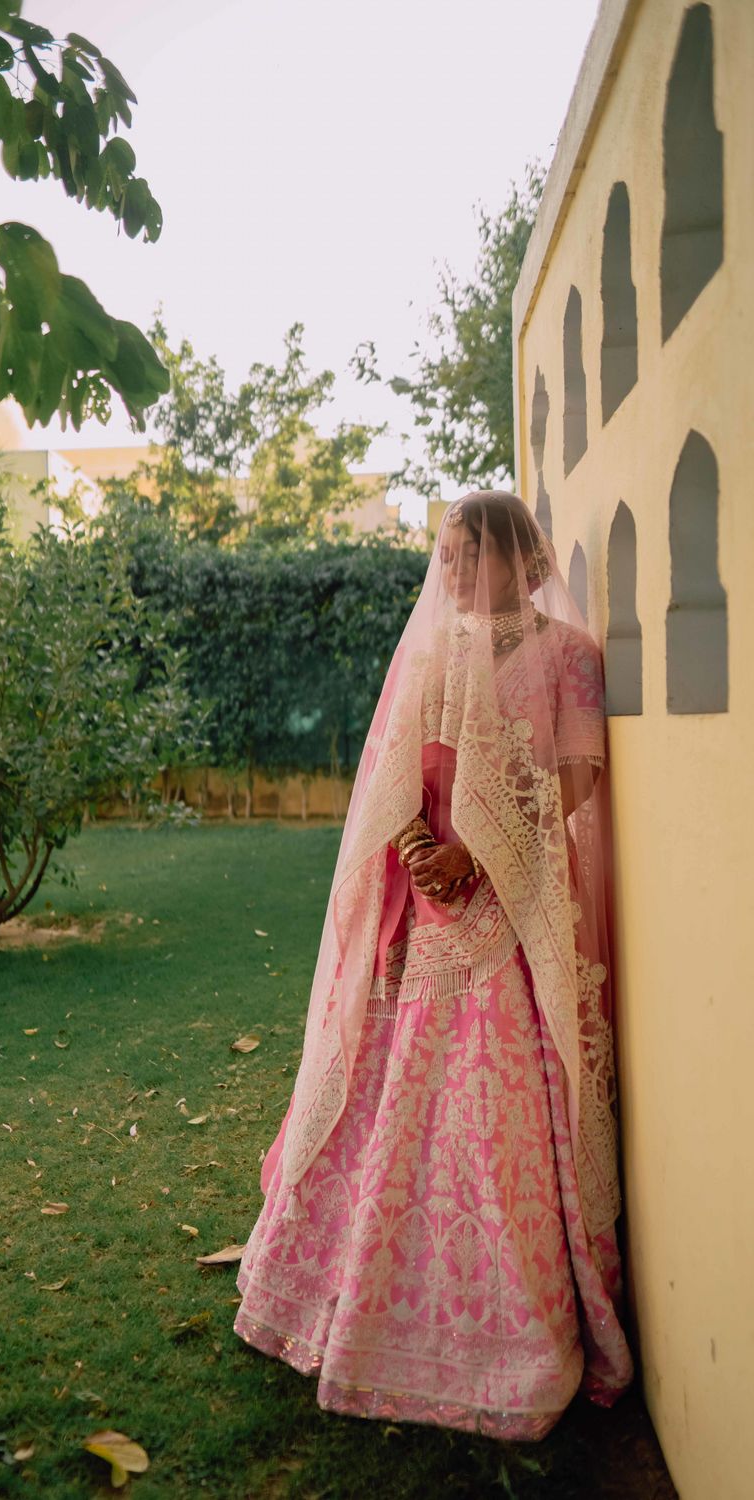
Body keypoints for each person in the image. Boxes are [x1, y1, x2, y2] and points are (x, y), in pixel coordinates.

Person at [233, 490, 634, 1440]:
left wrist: (478, 855)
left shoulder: (568, 657)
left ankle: (507, 1344)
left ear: (516, 559)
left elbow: (578, 782)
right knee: (393, 1103)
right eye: (444, 556)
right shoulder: (436, 648)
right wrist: (416, 837)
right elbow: (394, 768)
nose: (449, 573)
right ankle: (351, 1301)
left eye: (466, 556)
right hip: (428, 916)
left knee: (489, 1122)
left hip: (510, 913)